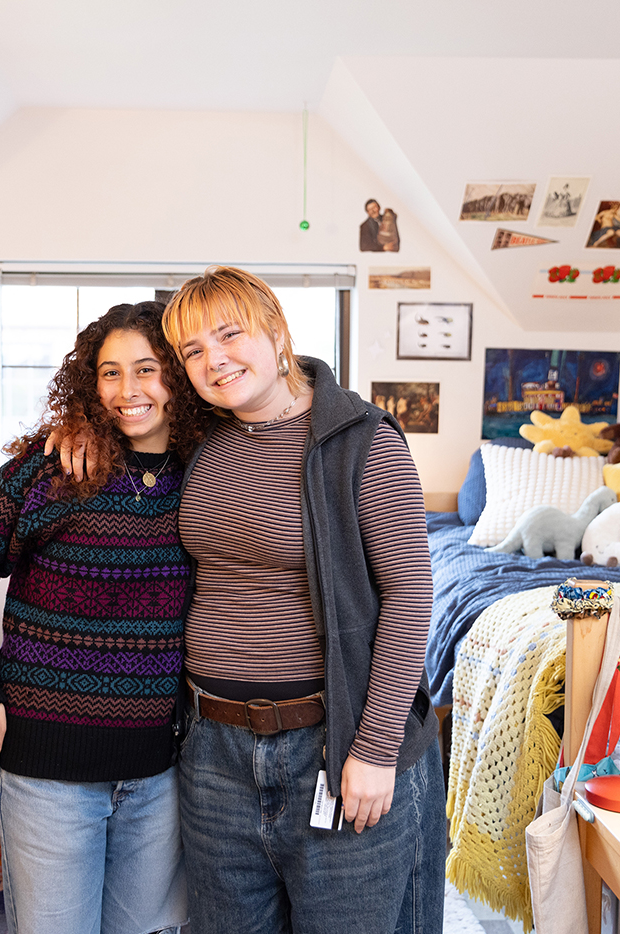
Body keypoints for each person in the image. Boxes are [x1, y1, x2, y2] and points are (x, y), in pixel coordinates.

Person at [60, 267, 446, 933]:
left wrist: (377, 747)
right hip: (213, 752)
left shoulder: (363, 442)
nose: (214, 360)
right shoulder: (199, 441)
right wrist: (78, 430)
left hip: (336, 743)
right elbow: (125, 417)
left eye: (229, 335)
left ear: (276, 330)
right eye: (192, 351)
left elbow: (410, 597)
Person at [0, 301, 207, 934]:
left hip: (158, 773)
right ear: (91, 385)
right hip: (46, 772)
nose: (128, 390)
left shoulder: (206, 473)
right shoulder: (50, 467)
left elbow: (274, 380)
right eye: (110, 373)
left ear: (178, 376)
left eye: (147, 369)